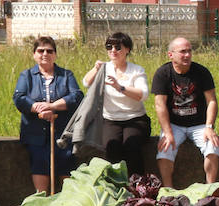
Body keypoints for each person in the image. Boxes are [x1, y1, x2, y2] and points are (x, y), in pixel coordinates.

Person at [13, 37, 82, 195]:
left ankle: (66, 205)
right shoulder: (27, 76)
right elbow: (20, 98)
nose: (45, 54)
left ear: (55, 55)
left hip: (63, 133)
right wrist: (39, 109)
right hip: (36, 133)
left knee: (66, 164)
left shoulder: (66, 75)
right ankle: (42, 203)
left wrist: (52, 106)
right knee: (39, 164)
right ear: (34, 54)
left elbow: (76, 97)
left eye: (49, 51)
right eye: (41, 50)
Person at [151, 36, 219, 186]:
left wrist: (209, 127)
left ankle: (210, 189)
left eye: (189, 51)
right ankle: (168, 190)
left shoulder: (202, 72)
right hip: (174, 124)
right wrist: (167, 132)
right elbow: (159, 105)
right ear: (171, 55)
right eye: (183, 52)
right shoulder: (163, 74)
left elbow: (212, 101)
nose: (187, 55)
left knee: (213, 147)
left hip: (200, 124)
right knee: (164, 150)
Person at [82, 31, 150, 175]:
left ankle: (137, 185)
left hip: (135, 119)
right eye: (109, 47)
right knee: (111, 146)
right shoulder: (104, 68)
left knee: (131, 145)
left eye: (118, 47)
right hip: (110, 120)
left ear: (127, 50)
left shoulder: (136, 70)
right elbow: (86, 82)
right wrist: (95, 69)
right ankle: (116, 186)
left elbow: (143, 94)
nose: (113, 50)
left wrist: (120, 87)